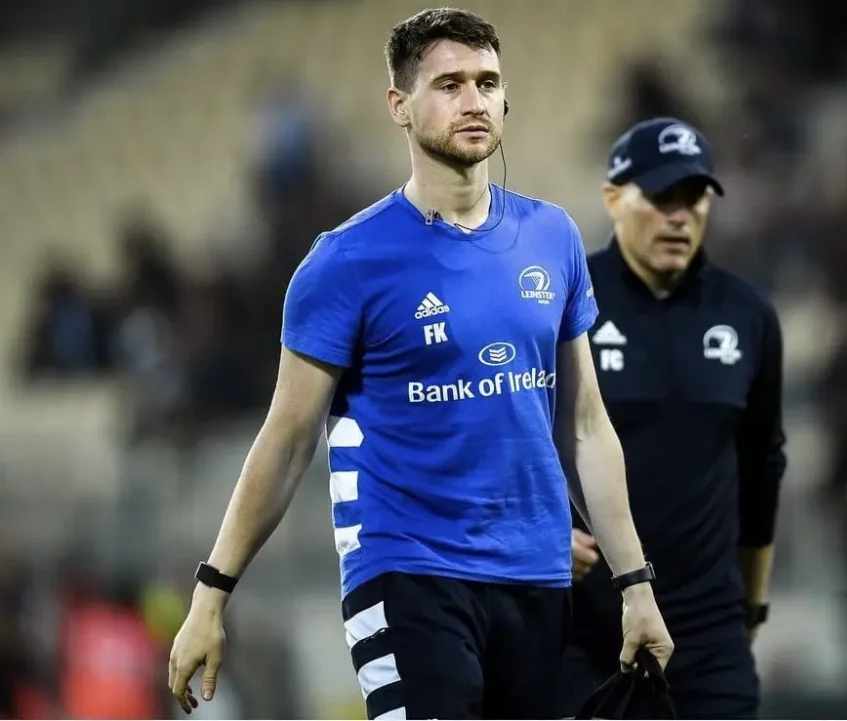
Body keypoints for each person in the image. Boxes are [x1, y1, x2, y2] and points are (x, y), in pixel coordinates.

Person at [167, 9, 673, 720]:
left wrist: (636, 585)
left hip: (537, 580)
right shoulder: (343, 264)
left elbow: (585, 426)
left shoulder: (551, 237)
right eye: (450, 84)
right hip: (409, 576)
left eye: (488, 82)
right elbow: (285, 439)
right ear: (400, 107)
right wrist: (210, 595)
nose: (474, 100)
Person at [561, 117, 787, 719]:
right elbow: (513, 440)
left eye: (692, 199)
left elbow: (763, 470)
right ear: (613, 199)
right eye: (661, 198)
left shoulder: (747, 314)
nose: (679, 216)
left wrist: (753, 608)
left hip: (708, 637)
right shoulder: (562, 304)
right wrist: (544, 532)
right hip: (584, 633)